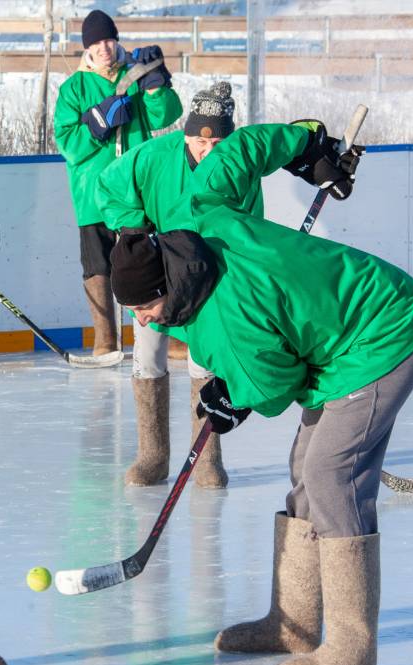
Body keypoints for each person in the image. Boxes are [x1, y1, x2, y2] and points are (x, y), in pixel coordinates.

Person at [107, 178, 413, 665]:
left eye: (144, 310)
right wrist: (305, 149)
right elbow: (232, 163)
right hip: (340, 339)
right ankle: (293, 624)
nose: (142, 321)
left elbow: (274, 381)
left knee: (332, 474)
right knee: (305, 469)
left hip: (386, 335)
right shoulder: (198, 228)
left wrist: (234, 399)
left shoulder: (226, 316)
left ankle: (352, 648)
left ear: (169, 288)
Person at [97, 83, 358, 489]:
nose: (207, 151)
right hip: (156, 286)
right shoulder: (153, 157)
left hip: (206, 288)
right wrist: (135, 230)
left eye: (217, 141)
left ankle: (207, 459)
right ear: (185, 134)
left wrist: (314, 160)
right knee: (147, 359)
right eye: (198, 141)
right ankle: (152, 456)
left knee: (209, 363)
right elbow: (108, 187)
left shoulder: (237, 169)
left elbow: (248, 221)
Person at [53, 9, 182, 356]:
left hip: (138, 192)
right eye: (96, 43)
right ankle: (105, 340)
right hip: (92, 195)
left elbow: (166, 116)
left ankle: (163, 334)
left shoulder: (135, 74)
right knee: (98, 267)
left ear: (116, 39)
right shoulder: (73, 88)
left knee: (150, 260)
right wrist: (97, 123)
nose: (104, 48)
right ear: (87, 49)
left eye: (108, 39)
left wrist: (156, 87)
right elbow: (67, 143)